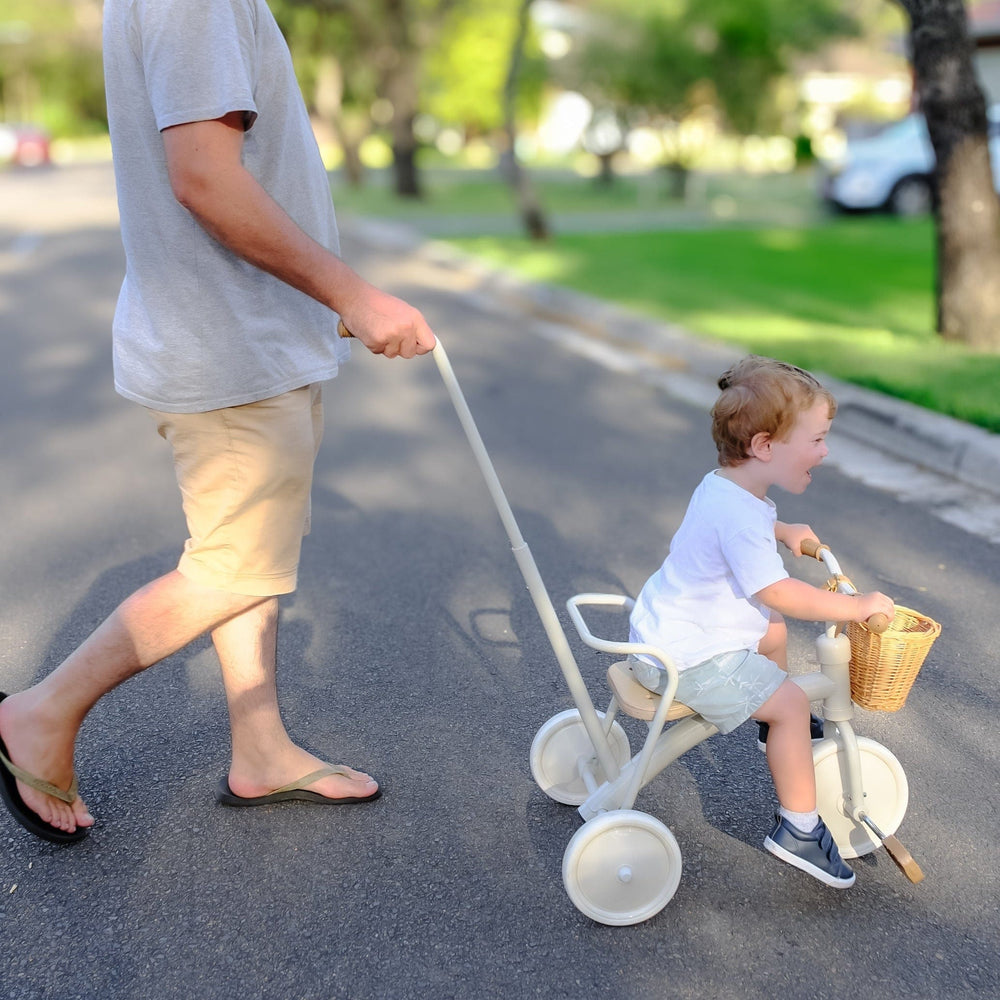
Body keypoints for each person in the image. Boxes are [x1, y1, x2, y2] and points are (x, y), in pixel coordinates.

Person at [0, 0, 436, 845]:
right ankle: (41, 712)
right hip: (230, 343)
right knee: (236, 570)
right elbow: (203, 174)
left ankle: (261, 748)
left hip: (245, 335)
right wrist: (352, 292)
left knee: (245, 559)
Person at [627, 355, 895, 888]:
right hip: (688, 659)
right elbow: (781, 591)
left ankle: (766, 722)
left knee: (769, 627)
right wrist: (857, 605)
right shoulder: (739, 512)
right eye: (816, 440)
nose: (824, 451)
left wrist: (784, 528)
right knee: (793, 700)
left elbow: (746, 523)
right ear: (765, 446)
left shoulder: (726, 486)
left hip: (666, 635)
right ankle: (798, 828)